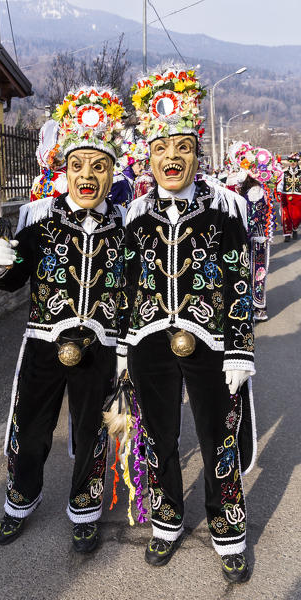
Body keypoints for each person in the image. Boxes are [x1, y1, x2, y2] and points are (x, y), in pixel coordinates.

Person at [0, 86, 126, 555]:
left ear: (112, 170)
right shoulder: (42, 221)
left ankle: (85, 512)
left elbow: (136, 291)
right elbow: (13, 279)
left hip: (101, 350)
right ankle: (19, 502)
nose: (87, 176)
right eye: (77, 166)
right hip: (43, 347)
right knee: (30, 429)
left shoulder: (123, 228)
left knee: (93, 433)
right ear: (65, 171)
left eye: (98, 166)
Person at [117, 65, 256, 583]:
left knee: (218, 437)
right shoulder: (134, 216)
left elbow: (241, 283)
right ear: (147, 156)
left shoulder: (226, 208)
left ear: (198, 153)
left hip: (212, 343)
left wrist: (240, 350)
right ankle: (167, 520)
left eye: (182, 148)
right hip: (148, 342)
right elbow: (122, 285)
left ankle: (228, 531)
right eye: (161, 148)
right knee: (157, 436)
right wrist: (121, 349)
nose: (171, 158)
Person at [233, 143, 283, 321]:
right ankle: (256, 307)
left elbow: (252, 218)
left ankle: (258, 308)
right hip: (256, 238)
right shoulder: (257, 190)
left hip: (256, 239)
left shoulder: (255, 191)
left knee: (256, 273)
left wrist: (240, 235)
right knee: (254, 272)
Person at [109, 139, 149, 207]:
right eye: (139, 164)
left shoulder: (129, 182)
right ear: (129, 165)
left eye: (142, 164)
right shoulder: (119, 181)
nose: (142, 167)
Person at [277, 152, 301, 241]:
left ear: (297, 161)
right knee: (286, 216)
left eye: (294, 161)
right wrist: (279, 192)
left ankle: (294, 229)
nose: (293, 163)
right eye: (291, 161)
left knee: (297, 216)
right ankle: (287, 234)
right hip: (286, 196)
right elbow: (280, 184)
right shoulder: (285, 173)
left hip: (298, 197)